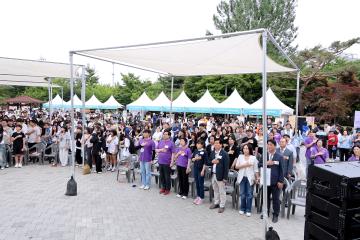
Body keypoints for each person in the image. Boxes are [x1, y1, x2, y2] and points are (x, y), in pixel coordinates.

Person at [260, 139, 284, 223]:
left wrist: (281, 181)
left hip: (275, 181)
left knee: (275, 199)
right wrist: (266, 163)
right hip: (266, 180)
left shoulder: (279, 156)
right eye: (268, 145)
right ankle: (265, 212)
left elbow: (282, 170)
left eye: (270, 145)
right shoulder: (264, 155)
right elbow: (260, 164)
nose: (269, 146)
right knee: (265, 197)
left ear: (274, 146)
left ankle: (275, 214)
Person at [235, 144, 259, 217]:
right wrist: (245, 165)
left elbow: (256, 169)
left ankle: (248, 209)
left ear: (250, 150)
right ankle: (242, 208)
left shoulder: (253, 158)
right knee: (242, 194)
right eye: (244, 148)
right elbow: (236, 166)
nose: (245, 150)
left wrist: (257, 178)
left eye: (247, 148)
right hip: (242, 177)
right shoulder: (240, 156)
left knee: (249, 194)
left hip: (250, 178)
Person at [208, 138, 230, 213]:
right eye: (215, 143)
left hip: (220, 175)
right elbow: (209, 162)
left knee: (222, 191)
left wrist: (225, 178)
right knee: (215, 190)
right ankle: (216, 203)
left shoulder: (224, 154)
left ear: (221, 145)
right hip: (213, 174)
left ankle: (222, 205)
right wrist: (212, 161)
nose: (216, 144)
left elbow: (226, 167)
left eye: (218, 143)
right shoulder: (212, 152)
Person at [155, 129, 175, 195]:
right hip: (160, 161)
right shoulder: (160, 142)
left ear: (169, 136)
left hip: (167, 162)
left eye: (166, 134)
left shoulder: (171, 143)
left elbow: (173, 153)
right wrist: (161, 150)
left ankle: (167, 189)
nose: (164, 135)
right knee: (162, 176)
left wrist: (172, 162)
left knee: (167, 176)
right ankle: (163, 187)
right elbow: (156, 150)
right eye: (164, 134)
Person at [191, 140, 208, 205]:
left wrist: (203, 170)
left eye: (198, 144)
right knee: (197, 183)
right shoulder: (195, 151)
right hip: (195, 168)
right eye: (197, 144)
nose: (197, 145)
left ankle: (201, 197)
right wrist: (195, 158)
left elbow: (205, 162)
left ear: (202, 145)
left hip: (201, 169)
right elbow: (192, 159)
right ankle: (198, 196)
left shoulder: (204, 152)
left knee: (201, 184)